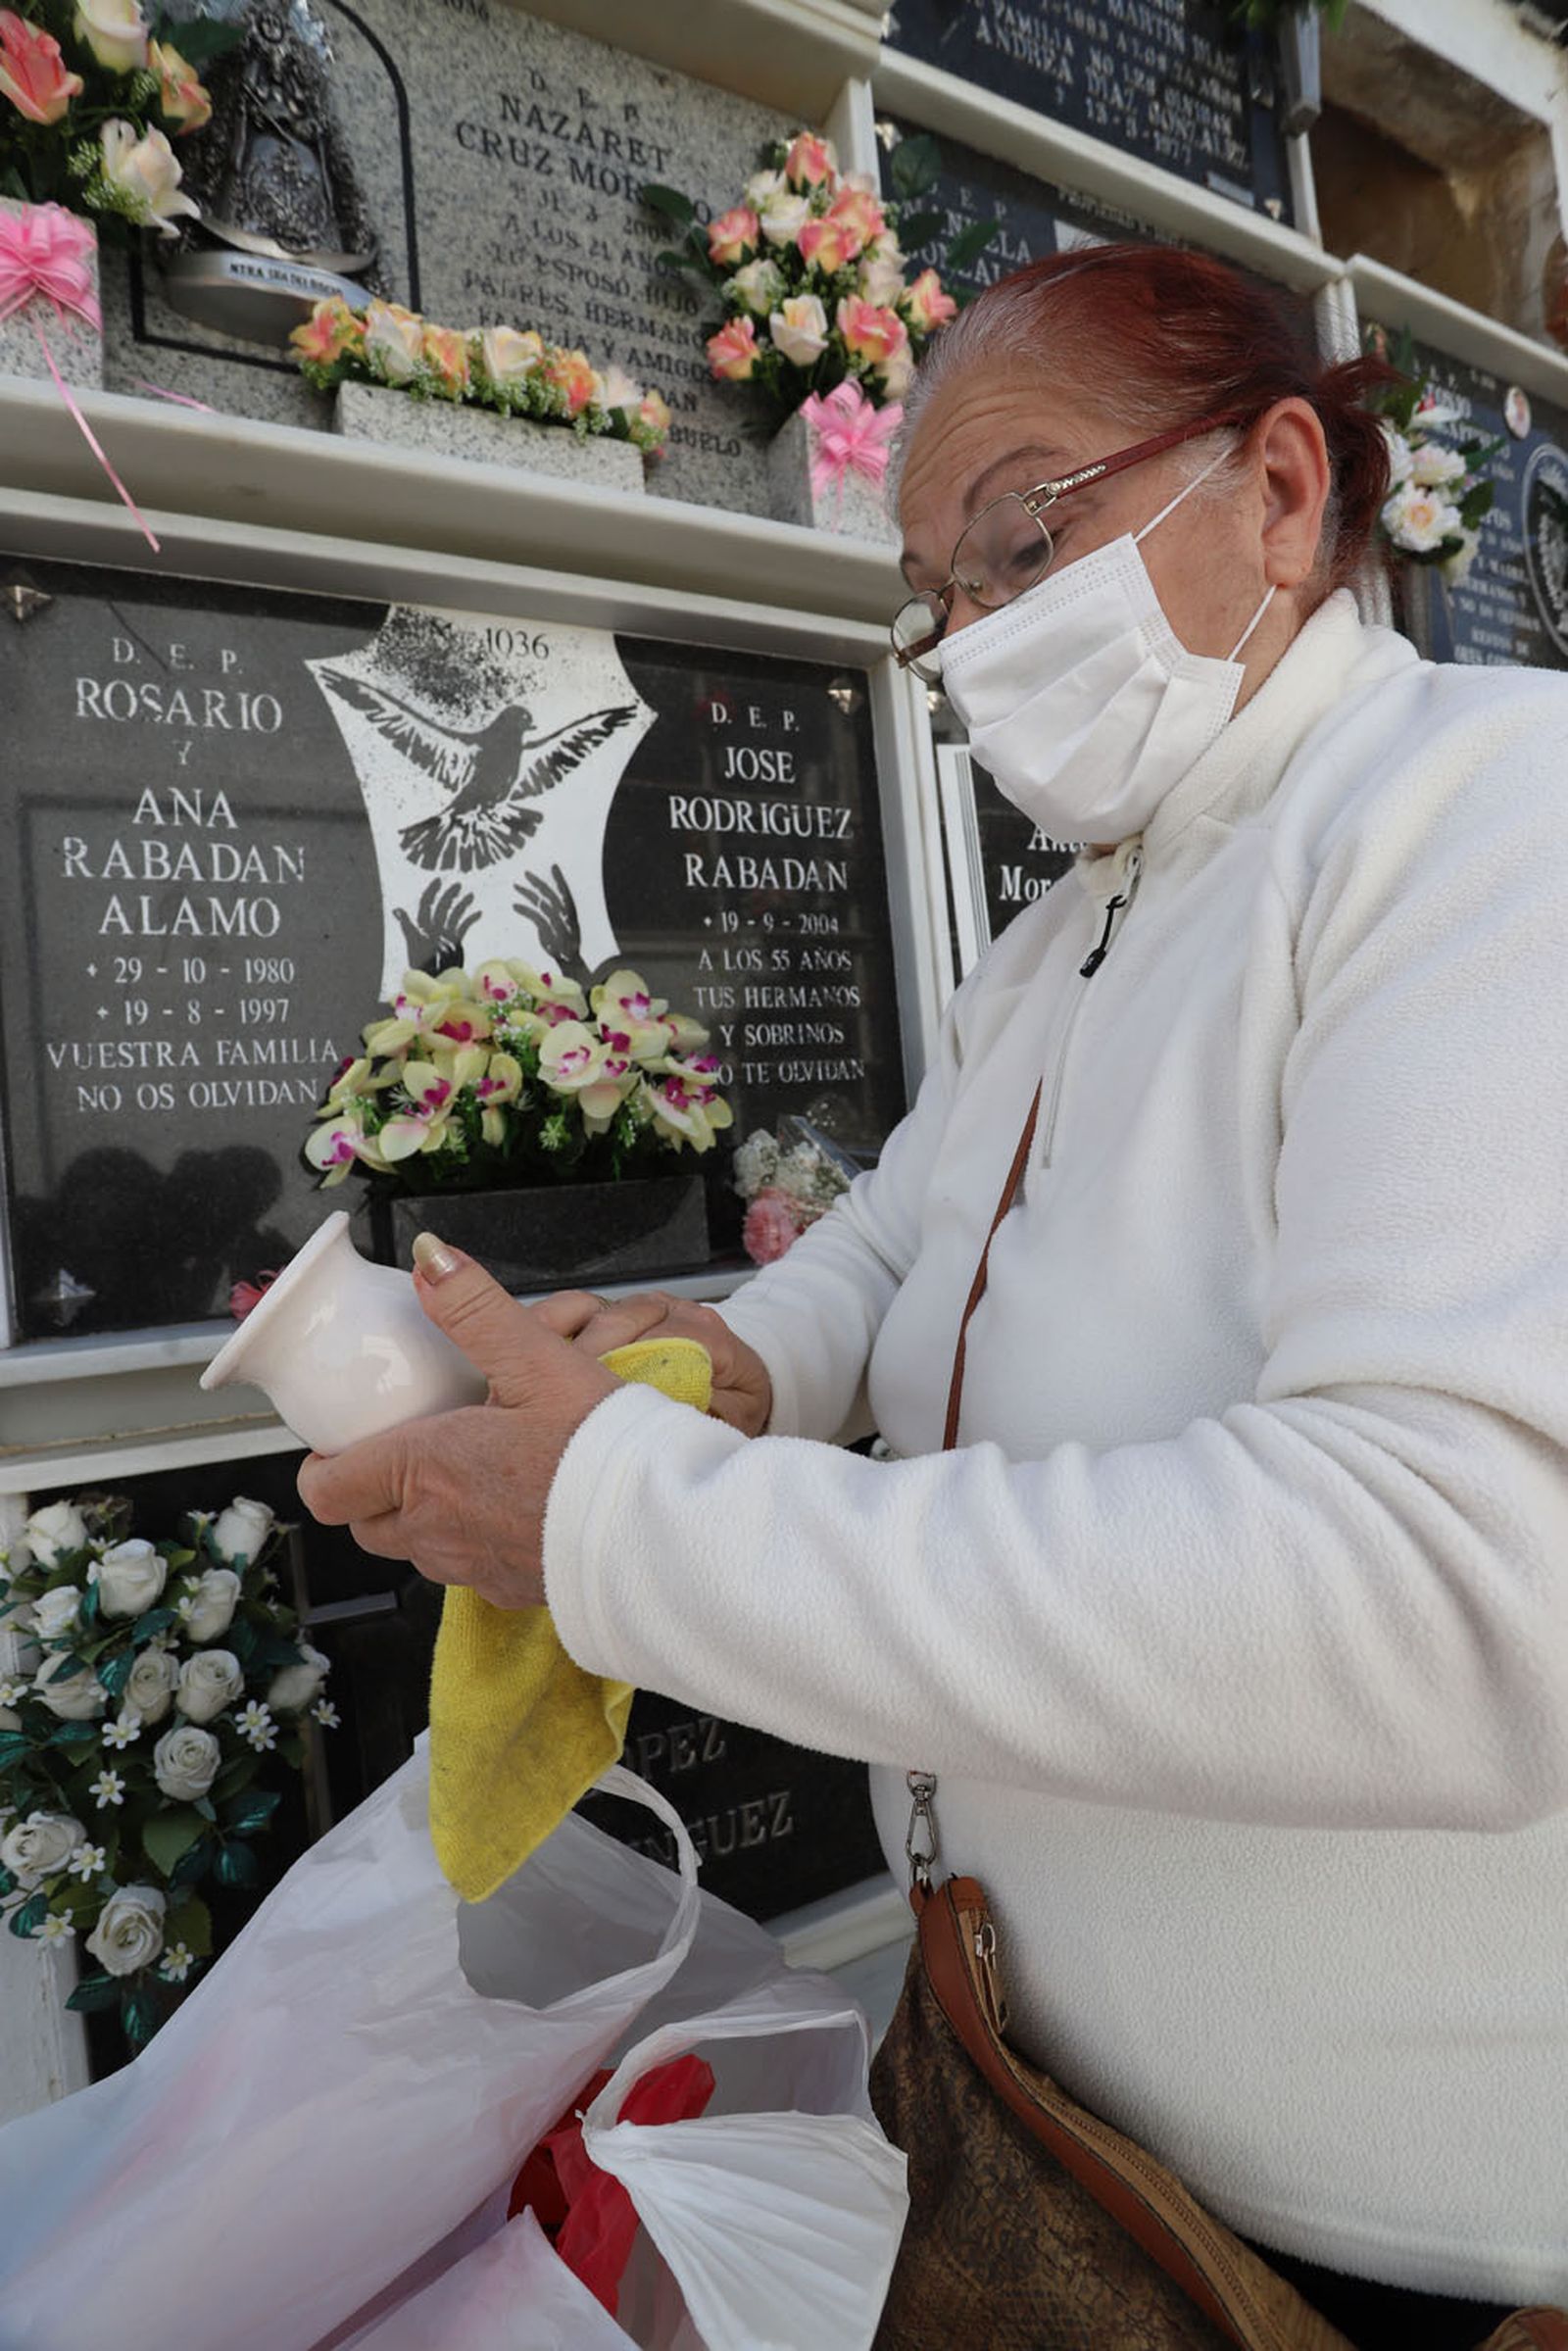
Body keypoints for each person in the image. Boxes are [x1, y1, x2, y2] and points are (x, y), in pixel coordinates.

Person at [299, 245, 1568, 2347]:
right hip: (1042, 2115)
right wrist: (734, 1361)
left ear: (1277, 491)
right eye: (938, 599)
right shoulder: (1072, 927)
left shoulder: (1482, 814)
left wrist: (624, 1524)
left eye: (1024, 540)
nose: (975, 642)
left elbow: (1446, 1596)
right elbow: (915, 1230)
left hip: (1384, 2252)